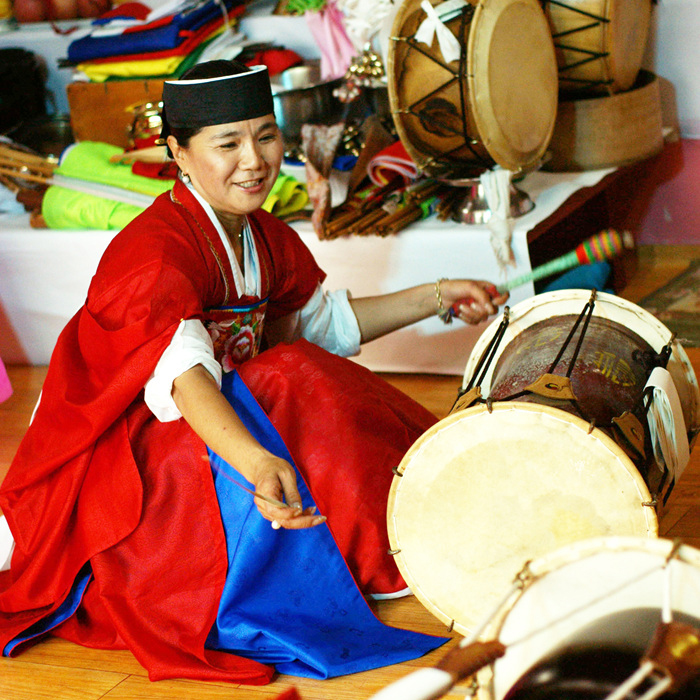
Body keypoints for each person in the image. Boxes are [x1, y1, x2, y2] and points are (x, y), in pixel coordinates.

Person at [0, 60, 508, 684]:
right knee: (289, 377)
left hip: (215, 424)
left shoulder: (260, 234)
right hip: (127, 459)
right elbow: (187, 382)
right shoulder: (155, 254)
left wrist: (436, 294)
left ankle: (403, 529)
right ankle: (361, 551)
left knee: (300, 369)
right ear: (177, 153)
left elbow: (318, 326)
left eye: (265, 136)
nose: (255, 160)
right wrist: (256, 462)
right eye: (228, 143)